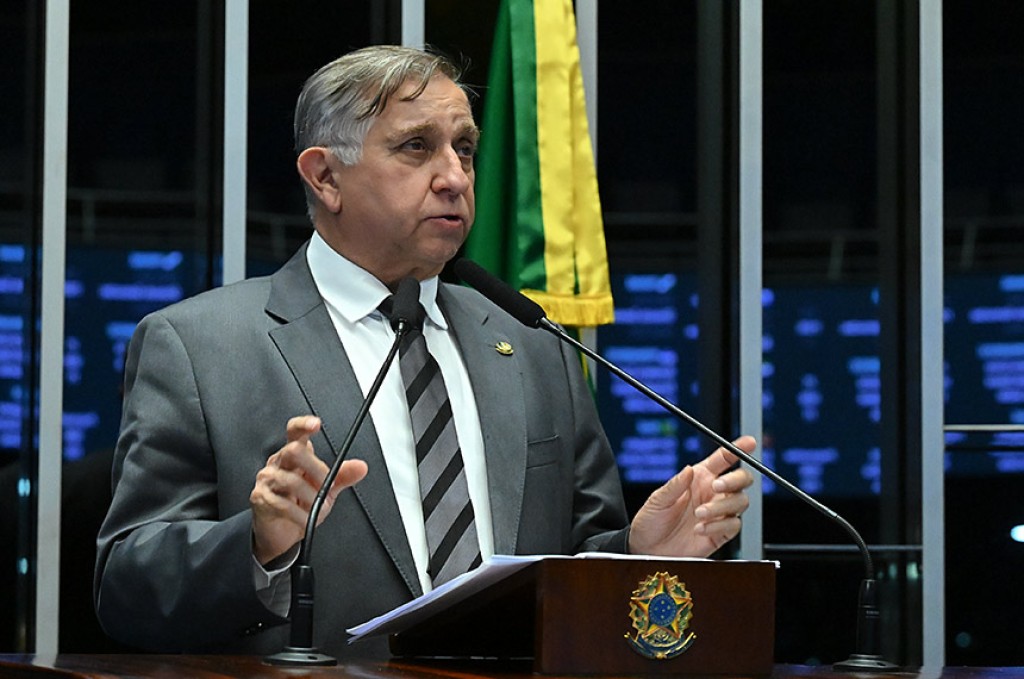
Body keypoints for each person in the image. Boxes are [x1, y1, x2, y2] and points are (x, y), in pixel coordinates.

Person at [94, 45, 754, 659]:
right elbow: (126, 588)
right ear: (325, 177)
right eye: (417, 147)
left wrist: (639, 553)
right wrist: (258, 543)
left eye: (464, 149)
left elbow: (573, 561)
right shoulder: (202, 346)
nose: (455, 177)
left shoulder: (531, 344)